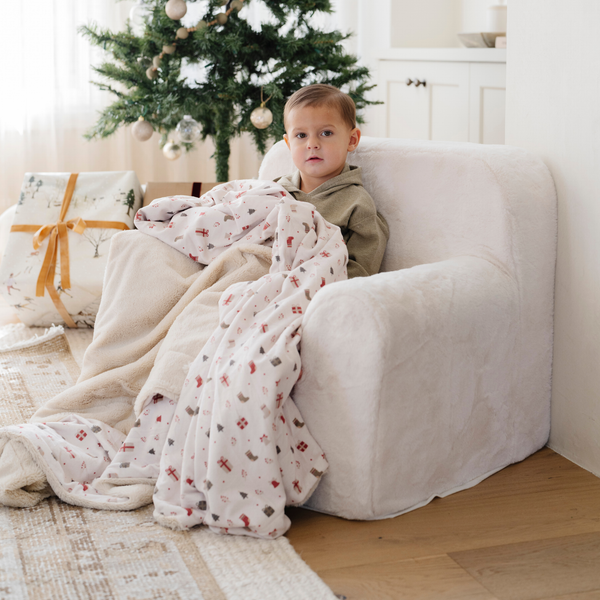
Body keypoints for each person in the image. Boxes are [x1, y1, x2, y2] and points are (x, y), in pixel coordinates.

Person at [276, 83, 389, 279]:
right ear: (288, 143)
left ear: (352, 140)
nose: (312, 144)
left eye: (326, 133)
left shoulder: (356, 204)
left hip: (313, 289)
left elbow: (361, 272)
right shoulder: (275, 190)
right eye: (301, 135)